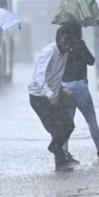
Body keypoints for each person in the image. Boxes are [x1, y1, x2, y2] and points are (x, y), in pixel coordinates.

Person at [61, 23, 99, 162]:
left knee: (67, 122)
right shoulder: (80, 44)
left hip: (65, 88)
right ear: (76, 31)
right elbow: (91, 61)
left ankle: (64, 152)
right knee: (91, 119)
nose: (82, 31)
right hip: (80, 86)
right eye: (80, 29)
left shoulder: (62, 46)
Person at [29, 27, 75, 172]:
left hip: (54, 94)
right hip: (39, 97)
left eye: (70, 45)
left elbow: (54, 75)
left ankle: (55, 148)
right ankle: (60, 163)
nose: (68, 48)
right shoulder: (49, 52)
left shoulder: (65, 53)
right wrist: (49, 95)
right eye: (66, 44)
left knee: (68, 125)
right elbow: (39, 76)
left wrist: (62, 89)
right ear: (59, 40)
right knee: (57, 129)